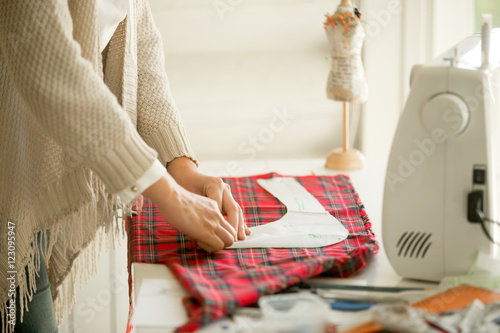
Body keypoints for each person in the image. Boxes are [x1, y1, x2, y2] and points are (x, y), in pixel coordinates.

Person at [0, 1, 249, 332]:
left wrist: (180, 165)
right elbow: (48, 62)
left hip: (30, 188)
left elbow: (140, 45)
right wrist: (169, 195)